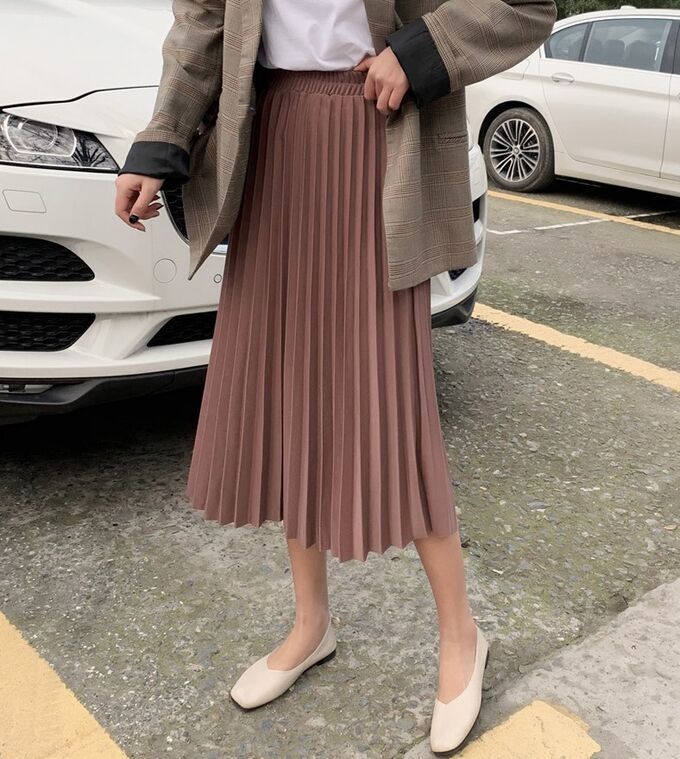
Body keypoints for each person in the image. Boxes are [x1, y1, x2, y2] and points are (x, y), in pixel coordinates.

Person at [114, 0, 556, 752]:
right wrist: (160, 142)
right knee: (290, 387)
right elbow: (204, 19)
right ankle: (311, 621)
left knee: (395, 398)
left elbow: (524, 4)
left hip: (379, 132)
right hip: (272, 135)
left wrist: (423, 50)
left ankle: (461, 633)